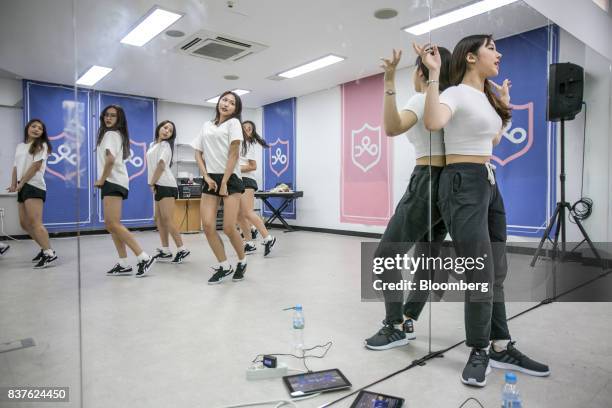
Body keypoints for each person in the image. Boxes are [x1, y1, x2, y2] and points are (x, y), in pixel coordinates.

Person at [418, 36, 550, 387]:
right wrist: (434, 75)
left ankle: (501, 343)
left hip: (487, 180)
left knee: (497, 271)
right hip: (462, 182)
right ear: (472, 57)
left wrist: (503, 109)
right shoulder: (454, 93)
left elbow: (490, 142)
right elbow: (433, 121)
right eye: (492, 48)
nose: (499, 53)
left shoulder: (485, 98)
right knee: (480, 271)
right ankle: (479, 348)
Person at [365, 47, 451, 350]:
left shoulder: (421, 98)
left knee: (385, 255)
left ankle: (395, 325)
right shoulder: (448, 100)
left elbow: (391, 128)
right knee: (426, 258)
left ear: (419, 72)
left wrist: (389, 81)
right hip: (451, 184)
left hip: (426, 180)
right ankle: (409, 317)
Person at [192, 91, 247, 284]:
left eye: (232, 103)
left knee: (229, 227)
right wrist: (205, 175)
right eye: (224, 100)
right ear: (218, 102)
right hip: (210, 178)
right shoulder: (207, 125)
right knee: (207, 226)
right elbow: (197, 152)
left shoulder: (234, 124)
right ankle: (224, 266)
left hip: (230, 177)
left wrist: (224, 181)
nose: (226, 104)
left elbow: (233, 153)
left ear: (235, 109)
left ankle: (242, 260)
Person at [95, 105, 155, 277]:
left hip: (112, 181)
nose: (108, 118)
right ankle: (123, 263)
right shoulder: (115, 135)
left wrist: (101, 179)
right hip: (114, 181)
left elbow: (110, 160)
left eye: (113, 116)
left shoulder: (111, 134)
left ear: (119, 119)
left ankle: (143, 257)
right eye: (106, 115)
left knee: (113, 224)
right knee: (111, 225)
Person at [7, 119, 56, 268]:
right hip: (23, 186)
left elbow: (36, 166)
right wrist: (13, 184)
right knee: (24, 224)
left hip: (34, 185)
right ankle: (44, 247)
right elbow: (16, 167)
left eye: (40, 128)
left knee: (35, 223)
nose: (36, 129)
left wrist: (21, 184)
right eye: (33, 126)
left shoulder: (42, 145)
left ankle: (49, 253)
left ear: (42, 133)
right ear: (28, 128)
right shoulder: (20, 146)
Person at [147, 120, 190, 264]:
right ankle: (165, 250)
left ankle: (182, 249)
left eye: (170, 130)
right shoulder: (152, 145)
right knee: (159, 219)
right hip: (158, 184)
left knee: (167, 219)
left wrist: (151, 182)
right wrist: (153, 183)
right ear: (159, 127)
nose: (166, 131)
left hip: (166, 184)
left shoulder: (166, 146)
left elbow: (161, 164)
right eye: (165, 127)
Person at [238, 120, 276, 256]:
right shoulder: (237, 144)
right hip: (237, 180)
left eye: (249, 129)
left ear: (251, 133)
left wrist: (235, 169)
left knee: (247, 212)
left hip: (247, 180)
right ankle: (248, 243)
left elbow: (253, 166)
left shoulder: (248, 145)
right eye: (244, 128)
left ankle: (268, 238)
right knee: (239, 214)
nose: (246, 130)